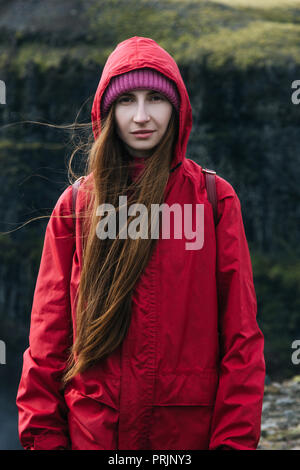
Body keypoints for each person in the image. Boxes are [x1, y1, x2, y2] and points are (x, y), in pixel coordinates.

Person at [16, 36, 265, 451]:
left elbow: (242, 341)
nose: (142, 116)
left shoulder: (215, 200)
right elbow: (46, 345)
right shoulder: (76, 206)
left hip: (184, 440)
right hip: (93, 438)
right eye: (127, 100)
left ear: (178, 108)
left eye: (156, 98)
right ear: (108, 111)